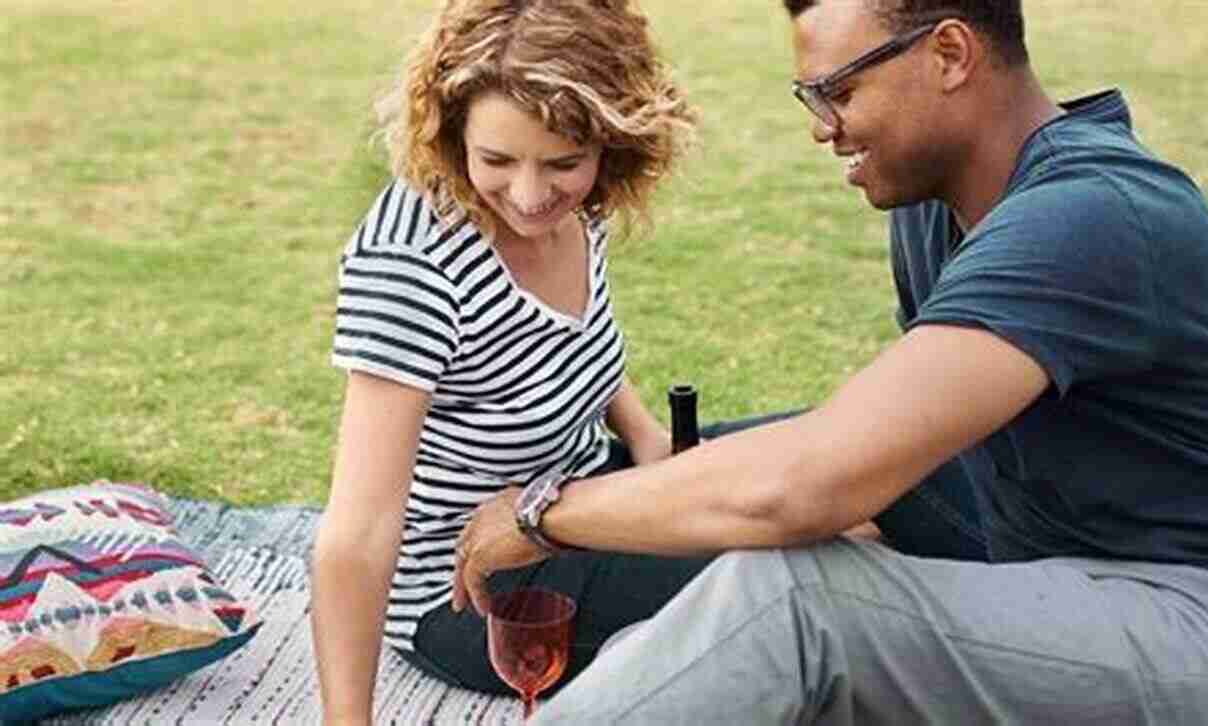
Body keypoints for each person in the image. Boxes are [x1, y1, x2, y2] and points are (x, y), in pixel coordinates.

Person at [449, 0, 1208, 723]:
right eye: (808, 95)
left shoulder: (1089, 217)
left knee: (793, 605)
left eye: (838, 90)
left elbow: (810, 482)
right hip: (1073, 569)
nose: (823, 128)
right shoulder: (939, 211)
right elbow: (876, 460)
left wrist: (539, 514)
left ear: (950, 53)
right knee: (709, 619)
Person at [311, 2, 988, 723]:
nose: (532, 194)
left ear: (613, 140)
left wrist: (644, 438)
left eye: (563, 162)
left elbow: (566, 349)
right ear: (452, 135)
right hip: (479, 593)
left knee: (871, 455)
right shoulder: (412, 262)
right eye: (496, 160)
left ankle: (1040, 609)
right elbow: (357, 531)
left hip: (585, 497)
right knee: (805, 556)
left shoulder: (580, 207)